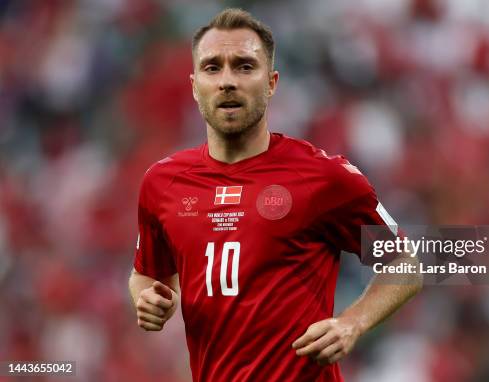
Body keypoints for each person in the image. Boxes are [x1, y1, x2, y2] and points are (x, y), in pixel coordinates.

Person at [128, 8, 421, 382]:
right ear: (194, 85)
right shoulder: (162, 182)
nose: (227, 81)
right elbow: (146, 274)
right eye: (212, 67)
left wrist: (352, 323)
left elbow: (406, 264)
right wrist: (146, 299)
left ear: (272, 83)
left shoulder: (324, 177)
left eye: (245, 66)